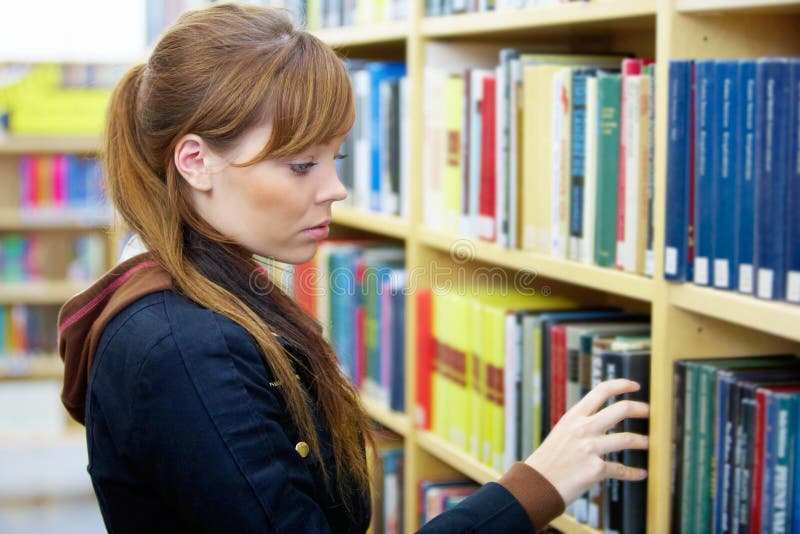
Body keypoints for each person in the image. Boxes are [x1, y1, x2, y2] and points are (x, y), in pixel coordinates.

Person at [57, 4, 649, 533]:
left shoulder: (207, 297)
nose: (335, 189)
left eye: (334, 158)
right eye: (300, 166)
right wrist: (532, 491)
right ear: (196, 161)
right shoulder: (187, 348)